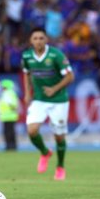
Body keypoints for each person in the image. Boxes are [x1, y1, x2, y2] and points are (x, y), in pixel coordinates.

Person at [22, 27, 74, 181]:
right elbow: (27, 74)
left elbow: (70, 76)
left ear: (46, 40)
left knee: (59, 137)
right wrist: (27, 93)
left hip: (59, 100)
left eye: (41, 38)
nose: (38, 41)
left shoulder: (56, 55)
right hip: (39, 99)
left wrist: (54, 89)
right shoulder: (27, 56)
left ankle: (60, 166)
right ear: (31, 41)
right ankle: (45, 152)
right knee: (32, 131)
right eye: (35, 38)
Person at [0, 79, 19, 151]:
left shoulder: (7, 93)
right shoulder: (11, 93)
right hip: (10, 115)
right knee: (11, 131)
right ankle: (13, 145)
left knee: (8, 132)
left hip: (7, 116)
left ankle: (9, 146)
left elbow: (12, 104)